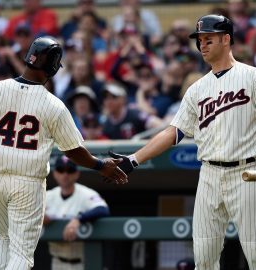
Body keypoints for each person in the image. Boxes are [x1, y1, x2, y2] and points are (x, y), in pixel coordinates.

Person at [108, 14, 256, 269]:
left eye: (209, 39)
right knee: (204, 259)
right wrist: (134, 159)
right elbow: (173, 132)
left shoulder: (251, 77)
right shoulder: (197, 89)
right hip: (209, 175)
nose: (203, 45)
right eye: (200, 40)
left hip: (246, 173)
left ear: (226, 39)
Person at [0, 36, 127, 270]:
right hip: (26, 183)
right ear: (53, 66)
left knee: (4, 239)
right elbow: (72, 149)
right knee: (21, 253)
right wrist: (101, 165)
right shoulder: (53, 105)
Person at [44, 155, 110, 270]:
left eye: (70, 170)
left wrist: (78, 219)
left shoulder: (86, 194)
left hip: (83, 263)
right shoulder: (47, 196)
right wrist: (38, 217)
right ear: (54, 173)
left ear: (76, 174)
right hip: (57, 262)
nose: (65, 175)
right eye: (61, 170)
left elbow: (103, 209)